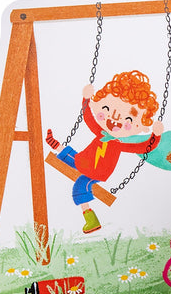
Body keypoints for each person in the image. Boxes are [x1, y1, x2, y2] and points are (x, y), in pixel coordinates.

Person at [46, 70, 163, 234]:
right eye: (107, 108)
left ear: (141, 126)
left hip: (97, 171)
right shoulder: (101, 133)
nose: (115, 119)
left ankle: (91, 220)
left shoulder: (119, 144)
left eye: (128, 119)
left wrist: (156, 136)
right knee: (72, 157)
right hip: (84, 161)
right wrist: (86, 99)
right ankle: (56, 145)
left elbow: (144, 147)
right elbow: (88, 117)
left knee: (80, 185)